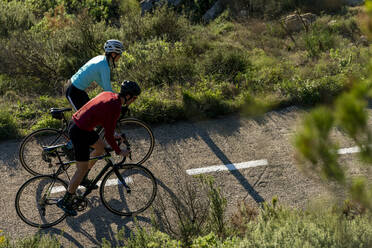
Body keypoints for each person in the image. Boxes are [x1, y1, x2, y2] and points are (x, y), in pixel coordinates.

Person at [57, 81, 141, 216]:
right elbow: (108, 135)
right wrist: (119, 151)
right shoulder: (116, 107)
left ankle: (83, 178)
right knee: (81, 169)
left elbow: (107, 125)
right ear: (129, 96)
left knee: (100, 148)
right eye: (135, 98)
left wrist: (116, 136)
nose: (134, 100)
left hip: (80, 124)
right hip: (80, 131)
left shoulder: (109, 95)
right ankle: (65, 200)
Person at [65, 39, 124, 111]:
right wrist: (117, 100)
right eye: (119, 54)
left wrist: (114, 95)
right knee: (82, 118)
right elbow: (107, 90)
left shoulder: (100, 59)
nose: (120, 57)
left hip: (78, 90)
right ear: (113, 54)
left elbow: (99, 80)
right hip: (73, 91)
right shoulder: (104, 66)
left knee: (91, 114)